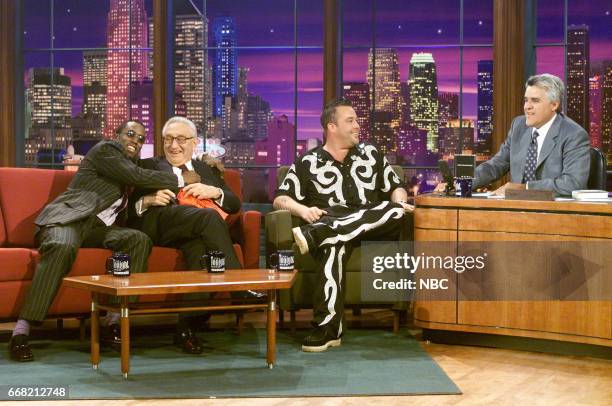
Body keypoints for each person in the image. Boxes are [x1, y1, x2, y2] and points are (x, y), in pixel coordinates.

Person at [8, 120, 190, 362]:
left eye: (140, 139)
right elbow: (136, 174)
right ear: (116, 135)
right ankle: (21, 332)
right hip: (68, 220)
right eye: (130, 134)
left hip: (96, 229)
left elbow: (147, 168)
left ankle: (114, 322)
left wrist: (205, 163)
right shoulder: (106, 150)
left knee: (138, 239)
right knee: (63, 245)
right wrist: (181, 179)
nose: (135, 141)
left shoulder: (130, 163)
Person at [272, 98, 414, 352]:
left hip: (374, 225)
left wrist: (400, 201)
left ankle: (322, 234)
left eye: (357, 120)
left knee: (396, 211)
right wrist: (303, 210)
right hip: (333, 221)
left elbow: (396, 188)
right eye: (350, 121)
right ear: (332, 127)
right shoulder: (307, 162)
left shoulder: (371, 154)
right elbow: (281, 198)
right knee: (334, 244)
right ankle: (327, 330)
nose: (358, 126)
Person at [128, 116, 263, 354]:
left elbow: (233, 204)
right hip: (160, 224)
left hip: (194, 230)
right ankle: (238, 286)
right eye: (168, 139)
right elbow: (126, 209)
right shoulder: (147, 166)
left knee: (206, 257)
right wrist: (147, 200)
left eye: (180, 139)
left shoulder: (204, 169)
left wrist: (214, 191)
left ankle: (185, 329)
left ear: (194, 142)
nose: (173, 145)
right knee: (208, 218)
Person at [436, 73, 590, 196]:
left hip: (553, 214)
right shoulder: (519, 125)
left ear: (554, 105)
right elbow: (496, 165)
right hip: (514, 209)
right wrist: (461, 182)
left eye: (535, 101)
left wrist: (524, 188)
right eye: (526, 100)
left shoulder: (574, 134)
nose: (527, 107)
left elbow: (573, 183)